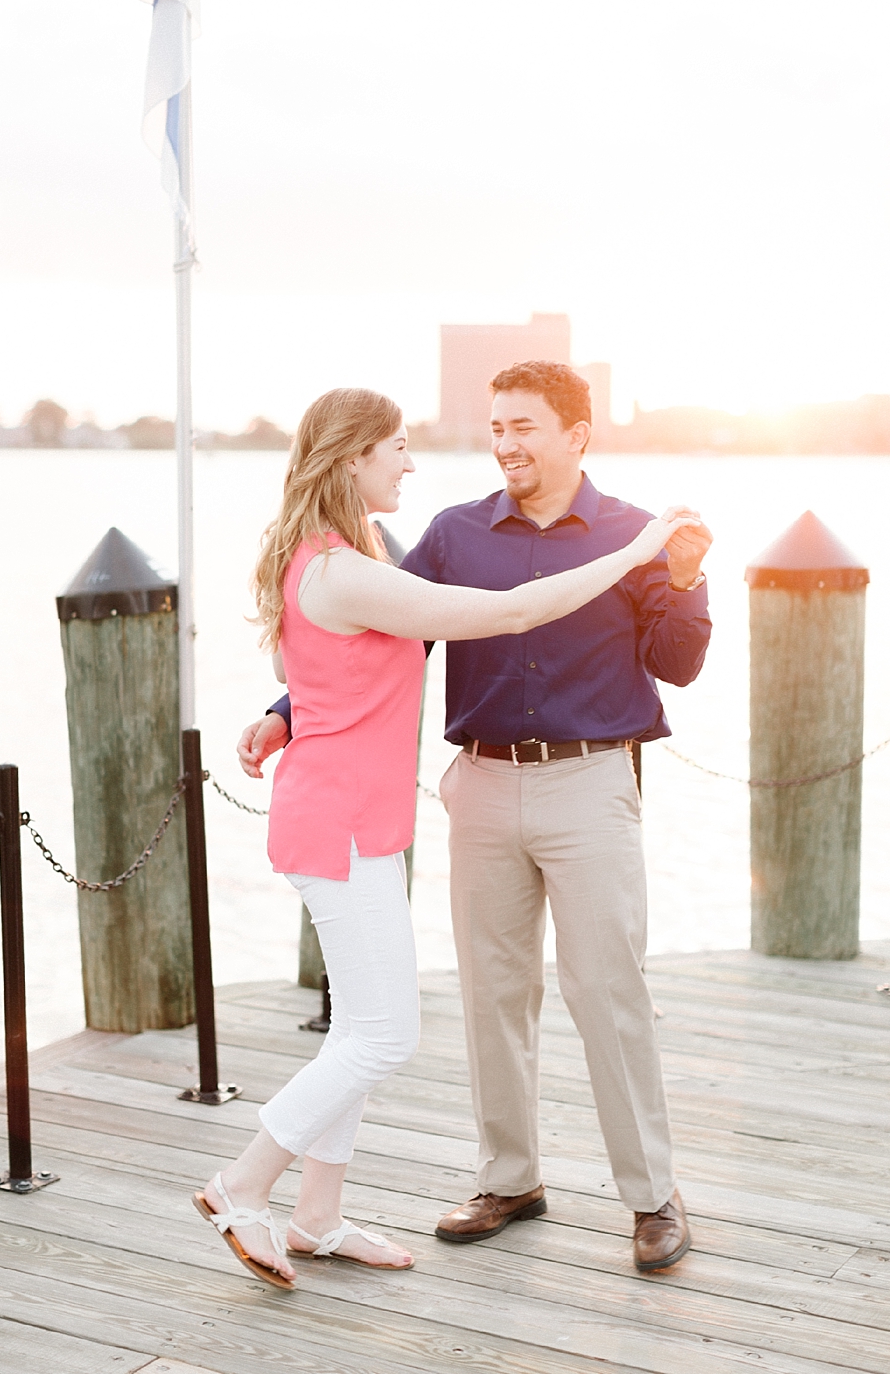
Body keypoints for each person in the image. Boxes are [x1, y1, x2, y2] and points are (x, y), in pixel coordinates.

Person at [198, 386, 692, 1289]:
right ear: (354, 458)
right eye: (397, 447)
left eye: (518, 426)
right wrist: (284, 711)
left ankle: (321, 1213)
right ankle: (271, 1183)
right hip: (409, 805)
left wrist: (667, 565)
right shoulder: (406, 547)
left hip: (554, 785)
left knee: (582, 991)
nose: (490, 443)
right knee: (430, 1017)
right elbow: (439, 621)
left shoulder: (359, 551)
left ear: (574, 434)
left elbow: (678, 657)